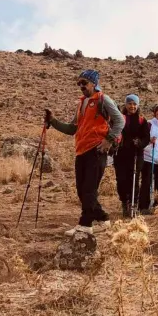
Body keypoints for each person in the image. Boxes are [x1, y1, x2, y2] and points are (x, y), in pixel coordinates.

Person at [44, 69, 125, 236]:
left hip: (96, 150)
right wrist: (53, 121)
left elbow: (120, 121)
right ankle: (103, 219)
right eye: (79, 83)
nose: (81, 86)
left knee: (88, 189)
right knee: (82, 191)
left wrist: (108, 140)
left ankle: (85, 225)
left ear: (94, 83)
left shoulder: (103, 99)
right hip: (81, 151)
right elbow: (72, 129)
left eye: (84, 83)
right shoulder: (81, 103)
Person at [113, 94, 150, 218]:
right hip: (121, 154)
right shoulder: (119, 117)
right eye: (130, 103)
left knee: (134, 178)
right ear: (126, 104)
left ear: (137, 105)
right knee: (121, 179)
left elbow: (146, 137)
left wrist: (139, 143)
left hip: (136, 154)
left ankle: (133, 204)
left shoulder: (141, 120)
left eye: (134, 104)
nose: (132, 106)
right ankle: (125, 202)